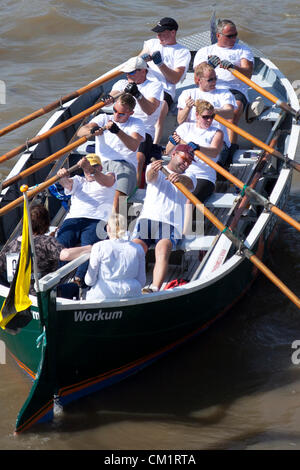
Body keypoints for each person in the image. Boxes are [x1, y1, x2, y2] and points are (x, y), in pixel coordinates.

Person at [132, 144, 196, 293]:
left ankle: (154, 288)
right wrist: (154, 170)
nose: (186, 163)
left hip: (171, 223)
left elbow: (190, 183)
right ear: (174, 154)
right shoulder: (153, 167)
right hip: (148, 219)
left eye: (189, 161)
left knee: (163, 248)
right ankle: (130, 284)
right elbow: (150, 177)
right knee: (135, 248)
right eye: (184, 158)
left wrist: (179, 178)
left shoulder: (190, 176)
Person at [0, 204, 91, 299]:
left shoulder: (12, 245)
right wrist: (90, 248)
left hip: (17, 298)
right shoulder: (45, 242)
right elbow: (66, 255)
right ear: (45, 223)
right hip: (42, 297)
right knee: (75, 287)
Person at [193, 19, 254, 155]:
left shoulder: (243, 50)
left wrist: (233, 67)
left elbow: (248, 74)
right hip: (209, 88)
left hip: (235, 89)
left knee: (231, 116)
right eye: (230, 36)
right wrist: (209, 66)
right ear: (218, 36)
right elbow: (197, 79)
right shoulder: (205, 51)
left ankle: (230, 150)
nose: (234, 38)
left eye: (235, 35)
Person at [77, 93, 145, 212]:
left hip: (125, 167)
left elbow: (133, 145)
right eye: (114, 110)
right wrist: (92, 131)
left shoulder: (136, 123)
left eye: (121, 114)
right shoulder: (103, 118)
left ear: (131, 113)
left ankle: (118, 222)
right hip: (100, 166)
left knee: (117, 203)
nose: (116, 115)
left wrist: (117, 131)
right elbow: (80, 132)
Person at [57, 154, 116, 286]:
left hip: (97, 220)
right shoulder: (78, 180)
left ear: (100, 167)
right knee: (58, 246)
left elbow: (108, 181)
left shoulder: (110, 176)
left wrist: (91, 170)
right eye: (87, 167)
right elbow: (67, 184)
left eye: (94, 166)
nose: (89, 170)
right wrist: (62, 177)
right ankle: (53, 276)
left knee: (89, 248)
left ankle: (79, 279)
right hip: (74, 219)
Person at [110, 56, 164, 187]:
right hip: (119, 125)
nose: (128, 74)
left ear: (143, 71)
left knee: (139, 159)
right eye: (127, 72)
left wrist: (138, 95)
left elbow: (150, 109)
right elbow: (112, 96)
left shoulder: (154, 86)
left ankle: (135, 192)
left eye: (132, 72)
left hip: (144, 129)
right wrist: (108, 98)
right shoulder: (121, 84)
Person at [138, 17, 191, 144]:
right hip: (143, 84)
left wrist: (160, 64)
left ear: (173, 32)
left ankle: (154, 146)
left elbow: (175, 79)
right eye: (157, 33)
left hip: (164, 89)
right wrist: (142, 60)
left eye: (162, 33)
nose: (158, 36)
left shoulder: (182, 52)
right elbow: (137, 61)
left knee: (158, 117)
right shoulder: (151, 43)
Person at [177, 61, 236, 167]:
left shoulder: (224, 93)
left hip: (215, 139)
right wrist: (187, 108)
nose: (214, 82)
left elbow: (230, 113)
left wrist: (211, 111)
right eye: (210, 80)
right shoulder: (187, 94)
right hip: (192, 137)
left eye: (215, 78)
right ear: (199, 80)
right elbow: (180, 121)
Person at [166, 100, 223, 202]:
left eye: (212, 117)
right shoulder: (185, 127)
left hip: (203, 175)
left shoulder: (217, 132)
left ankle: (197, 218)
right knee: (169, 198)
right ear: (197, 115)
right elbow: (168, 151)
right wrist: (172, 143)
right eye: (205, 117)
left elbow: (214, 152)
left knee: (190, 201)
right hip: (182, 172)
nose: (209, 120)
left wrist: (199, 148)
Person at [84, 213, 146, 301]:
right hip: (132, 294)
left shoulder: (99, 247)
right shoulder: (138, 248)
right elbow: (142, 281)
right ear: (125, 228)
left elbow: (89, 281)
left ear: (107, 228)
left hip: (103, 295)